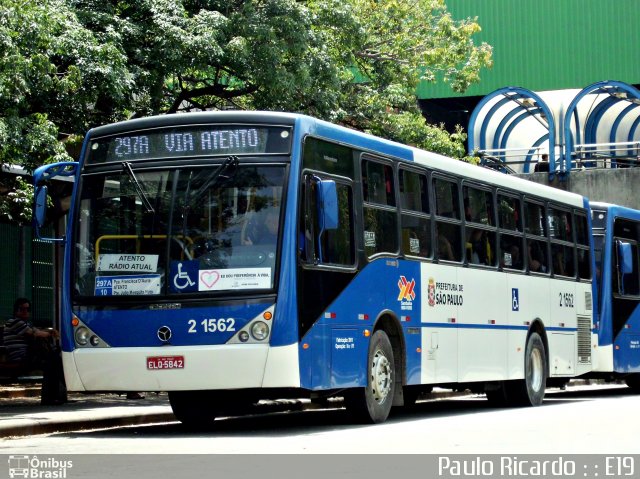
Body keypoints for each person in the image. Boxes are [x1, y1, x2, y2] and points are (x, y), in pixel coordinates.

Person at [4, 297, 67, 405]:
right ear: (16, 310)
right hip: (19, 357)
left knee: (53, 362)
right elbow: (35, 333)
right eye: (22, 309)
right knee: (53, 361)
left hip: (27, 356)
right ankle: (52, 397)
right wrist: (50, 333)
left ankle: (52, 397)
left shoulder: (26, 323)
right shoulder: (14, 322)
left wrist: (48, 332)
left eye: (27, 309)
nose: (25, 312)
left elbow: (38, 331)